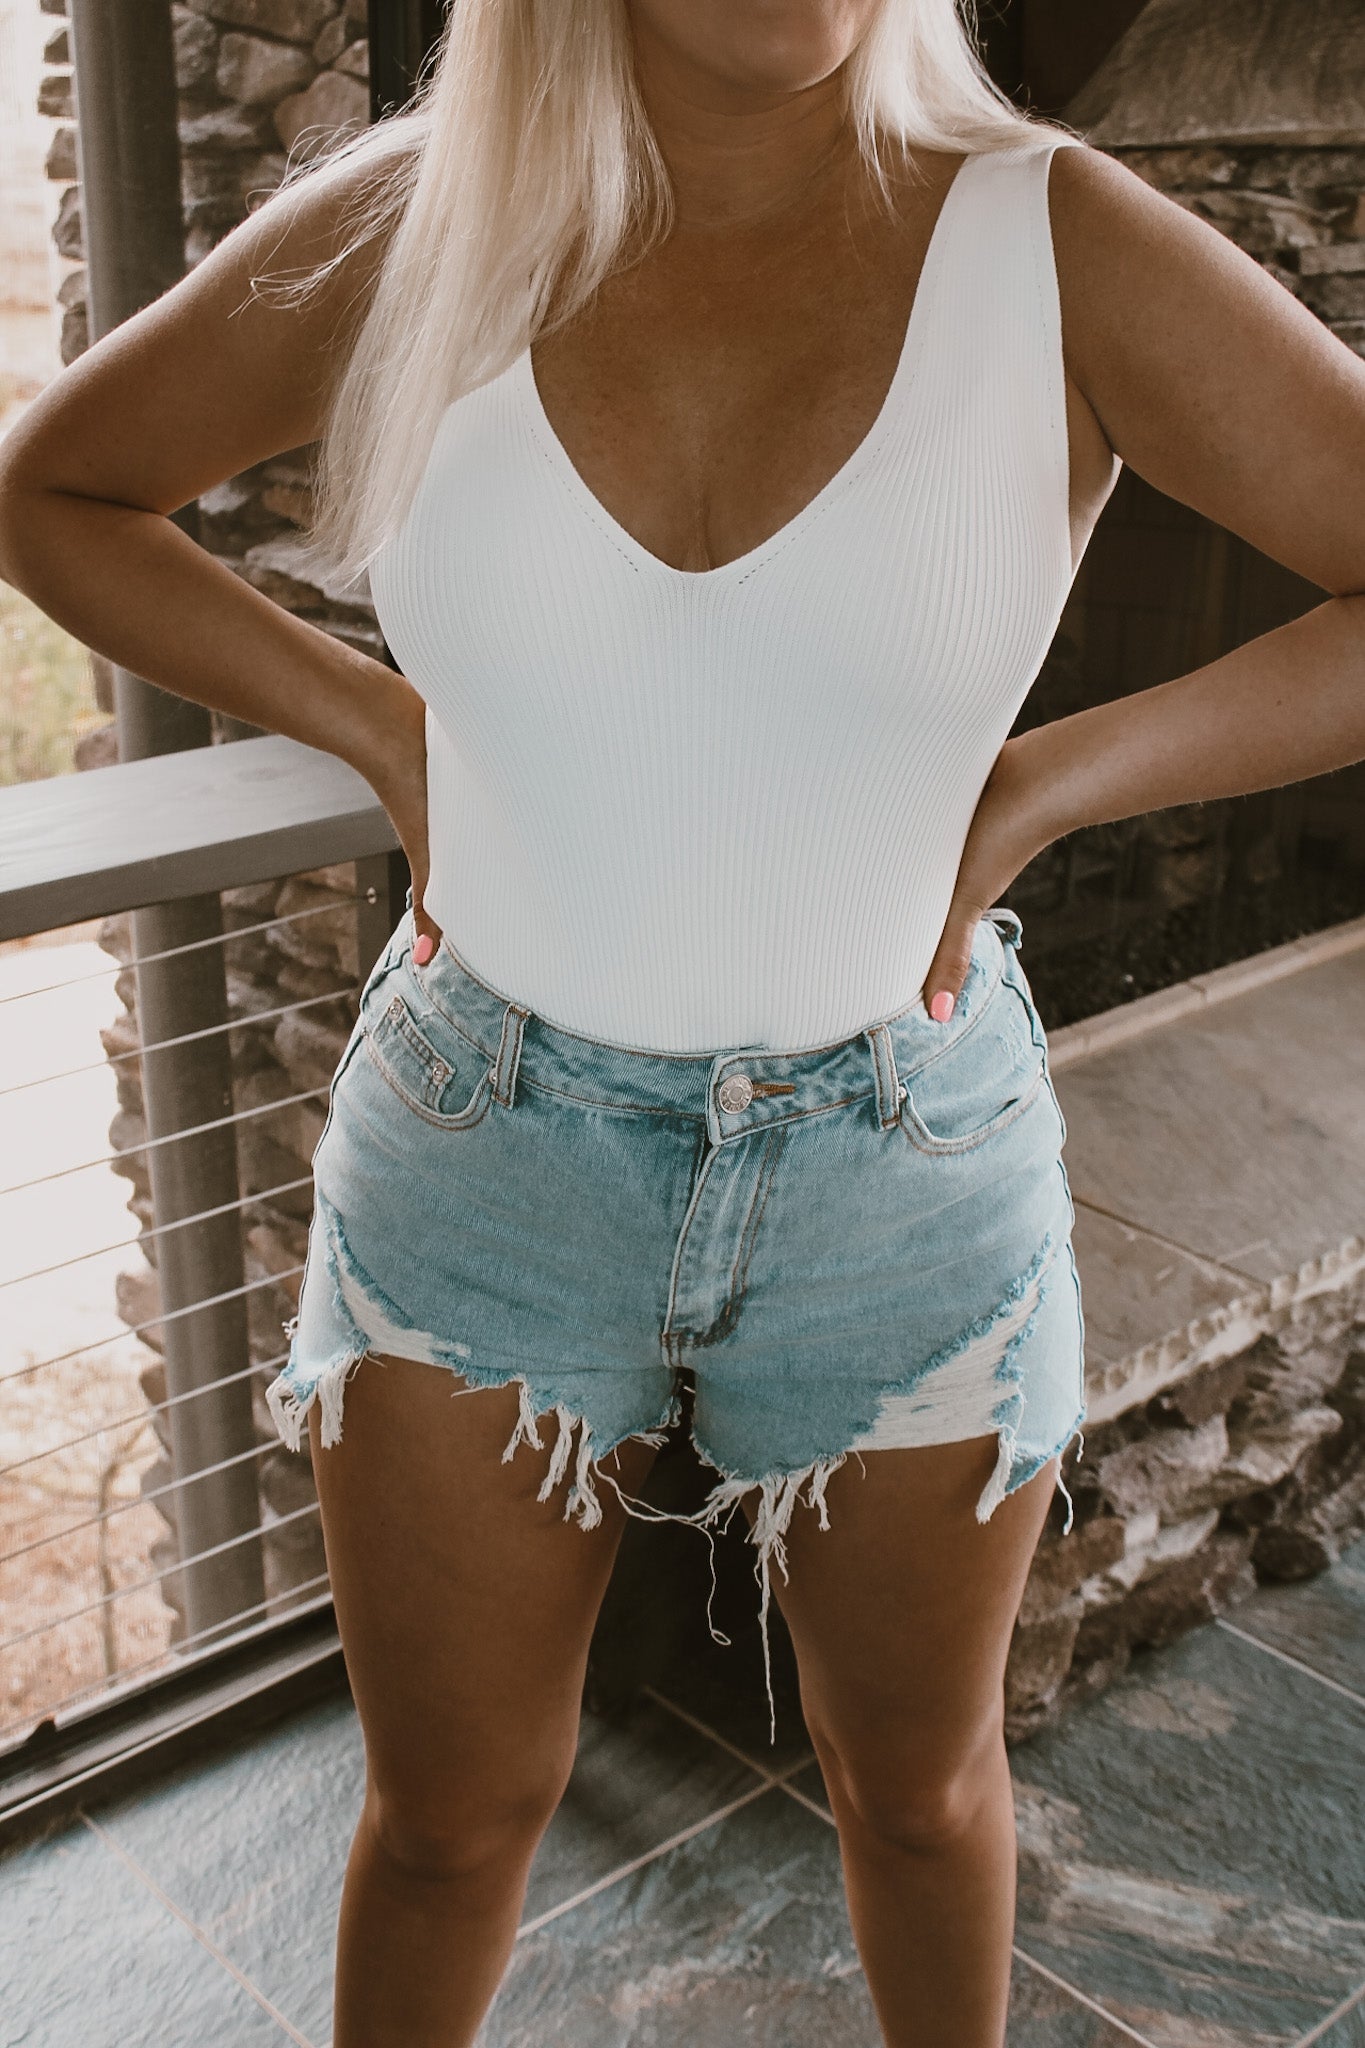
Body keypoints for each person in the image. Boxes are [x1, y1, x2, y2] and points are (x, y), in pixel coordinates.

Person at [3, 2, 1364, 2043]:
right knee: (453, 1819)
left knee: (914, 1798)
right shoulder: (412, 229)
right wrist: (376, 724)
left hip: (899, 1167)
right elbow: (59, 491)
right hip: (484, 1142)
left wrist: (1043, 782)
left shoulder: (1050, 240)